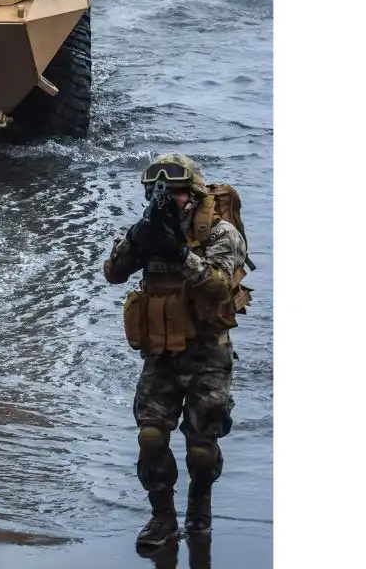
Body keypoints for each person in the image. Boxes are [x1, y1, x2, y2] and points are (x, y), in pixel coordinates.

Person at [103, 154, 249, 550]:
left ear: (195, 193)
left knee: (201, 449)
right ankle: (162, 518)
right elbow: (114, 273)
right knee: (151, 437)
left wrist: (179, 253)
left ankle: (199, 510)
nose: (171, 200)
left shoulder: (220, 233)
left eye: (178, 193)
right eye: (161, 193)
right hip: (161, 354)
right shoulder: (151, 228)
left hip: (208, 354)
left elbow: (218, 286)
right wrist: (138, 238)